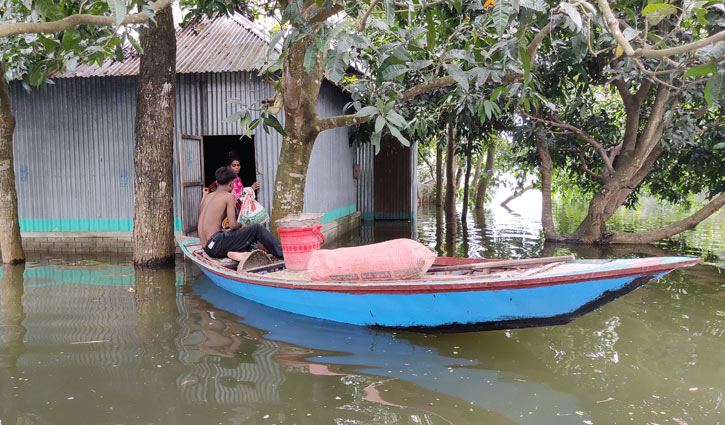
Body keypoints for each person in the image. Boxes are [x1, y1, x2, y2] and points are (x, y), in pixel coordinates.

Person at [198, 166, 283, 259]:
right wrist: (242, 225)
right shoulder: (228, 196)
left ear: (217, 182)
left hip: (207, 247)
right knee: (257, 229)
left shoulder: (206, 197)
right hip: (216, 245)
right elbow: (233, 225)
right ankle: (283, 253)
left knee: (234, 232)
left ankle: (235, 253)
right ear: (231, 184)